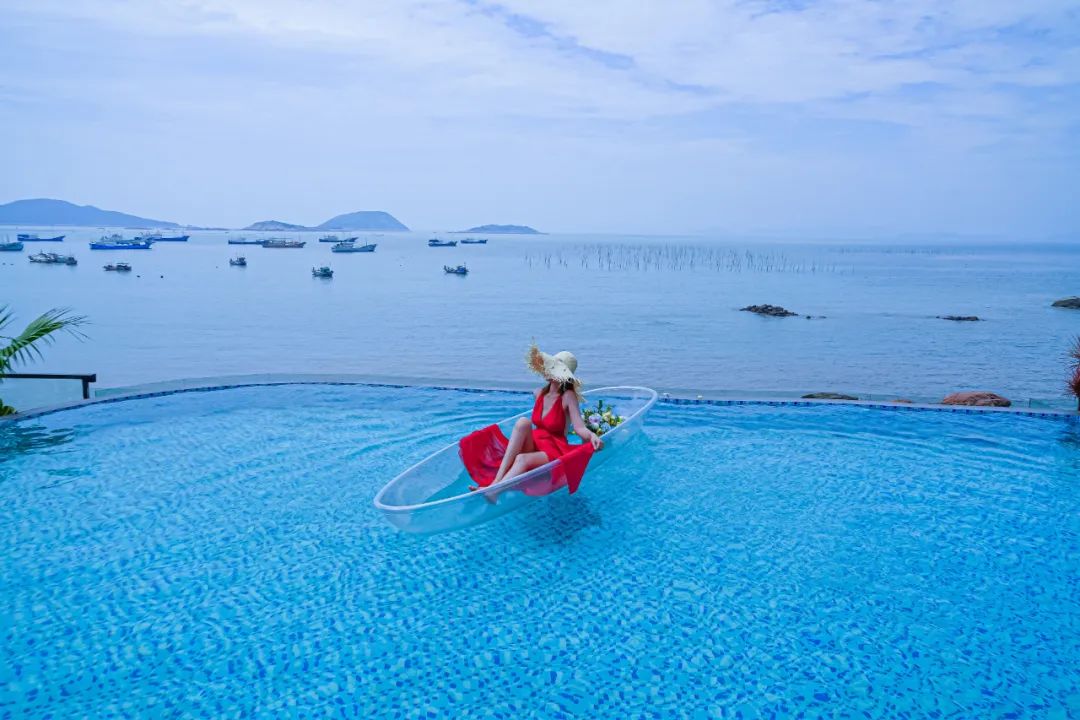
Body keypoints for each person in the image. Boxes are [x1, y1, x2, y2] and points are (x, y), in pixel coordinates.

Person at [459, 345, 603, 493]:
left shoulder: (568, 396)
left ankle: (494, 491)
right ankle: (496, 483)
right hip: (535, 443)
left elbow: (579, 427)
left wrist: (592, 435)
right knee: (523, 422)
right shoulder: (539, 393)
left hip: (553, 450)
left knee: (522, 459)